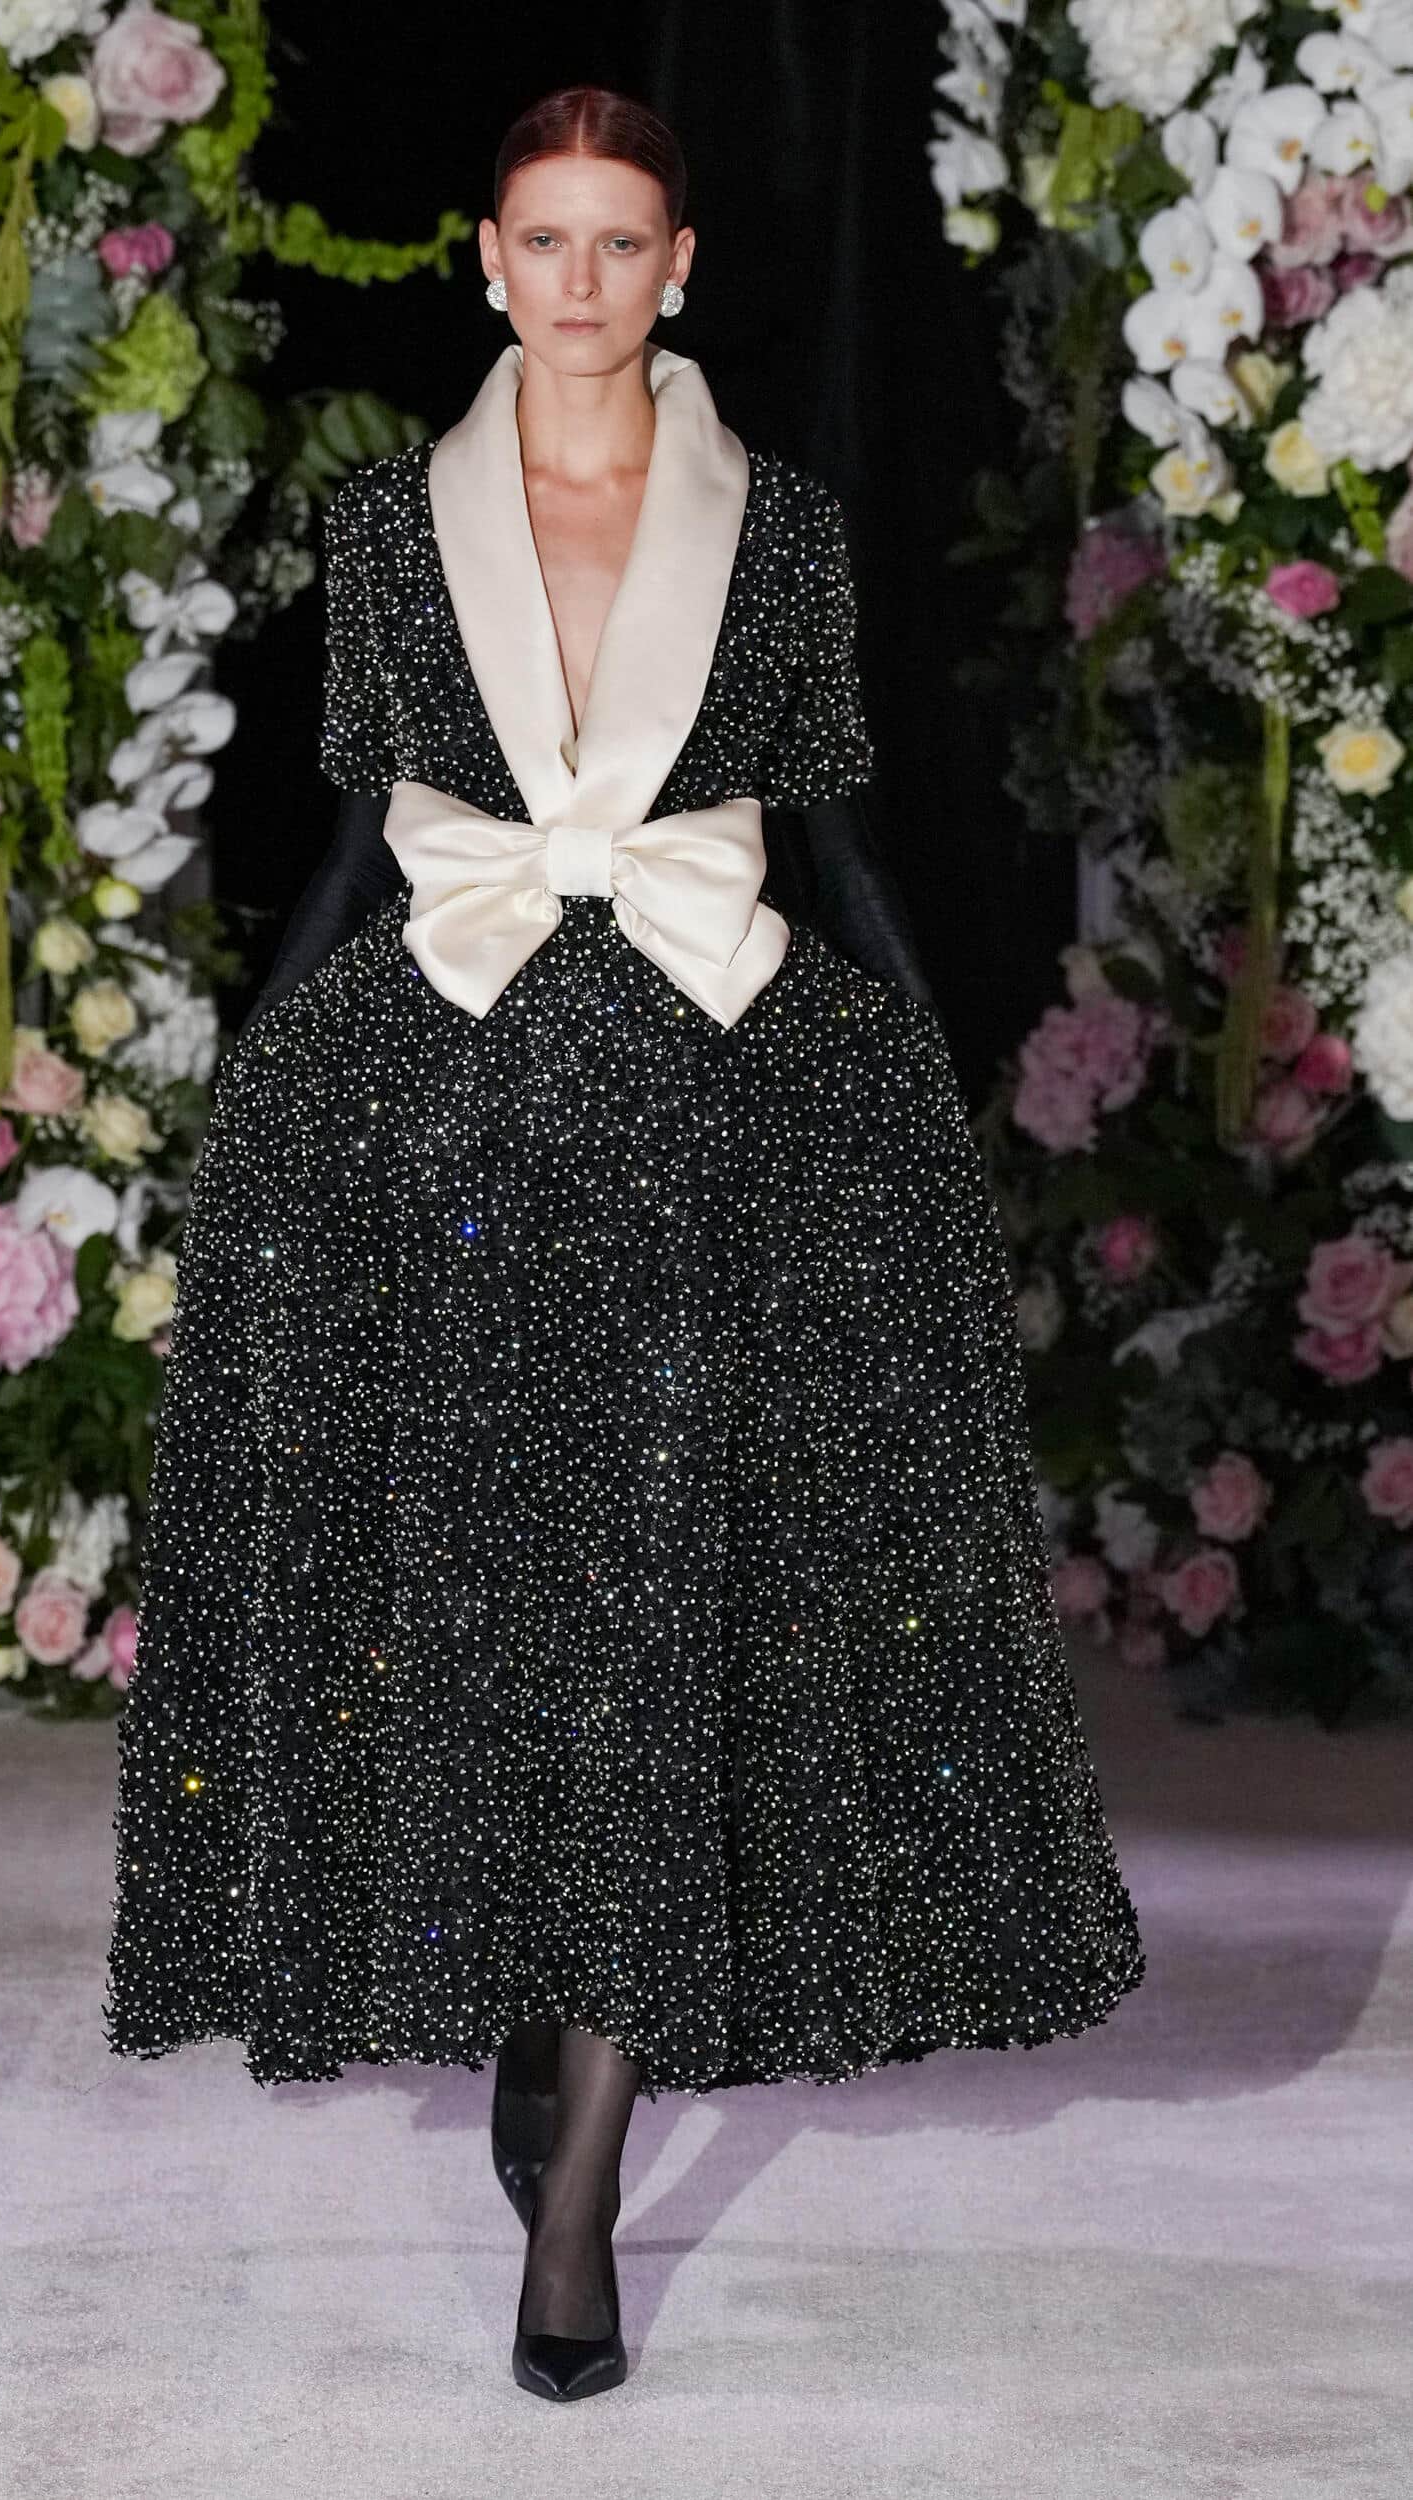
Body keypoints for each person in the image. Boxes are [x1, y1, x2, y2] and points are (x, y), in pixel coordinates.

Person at [102, 84, 1146, 2405]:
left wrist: (912, 1080)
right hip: (459, 1110)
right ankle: (534, 1985)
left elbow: (835, 831)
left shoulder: (782, 528)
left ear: (679, 267)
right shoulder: (393, 525)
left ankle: (575, 2201)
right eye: (544, 238)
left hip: (706, 1123)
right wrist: (268, 1085)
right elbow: (365, 844)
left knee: (660, 1608)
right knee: (503, 1605)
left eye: (621, 240)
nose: (579, 279)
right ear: (488, 259)